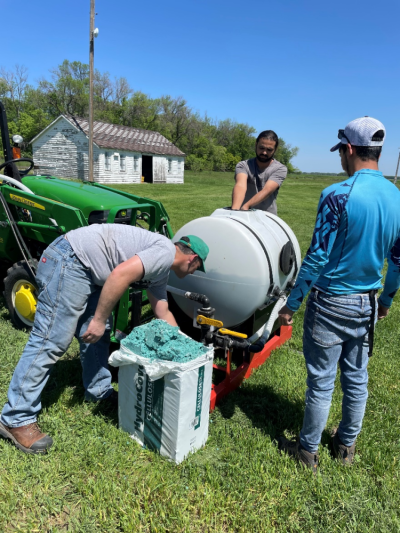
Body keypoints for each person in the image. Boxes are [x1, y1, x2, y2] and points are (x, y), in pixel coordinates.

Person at [0, 225, 209, 454]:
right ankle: (15, 417)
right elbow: (120, 274)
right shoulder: (164, 252)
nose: (193, 273)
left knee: (98, 337)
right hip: (69, 260)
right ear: (193, 259)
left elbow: (162, 309)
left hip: (86, 268)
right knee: (51, 340)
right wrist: (97, 320)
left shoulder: (161, 267)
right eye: (198, 268)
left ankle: (98, 390)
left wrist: (183, 344)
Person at [277, 117, 400, 473]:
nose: (340, 161)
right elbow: (397, 261)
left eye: (341, 153)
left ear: (349, 149)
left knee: (321, 383)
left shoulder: (337, 195)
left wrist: (292, 303)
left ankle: (306, 452)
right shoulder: (397, 198)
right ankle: (346, 446)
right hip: (367, 301)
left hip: (330, 300)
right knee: (357, 378)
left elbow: (316, 256)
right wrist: (387, 300)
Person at [231, 130, 287, 215]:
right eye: (261, 148)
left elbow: (267, 190)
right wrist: (234, 211)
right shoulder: (243, 165)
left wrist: (246, 206)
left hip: (267, 217)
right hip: (243, 214)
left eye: (269, 150)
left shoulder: (280, 169)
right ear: (256, 145)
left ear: (275, 149)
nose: (264, 152)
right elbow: (240, 185)